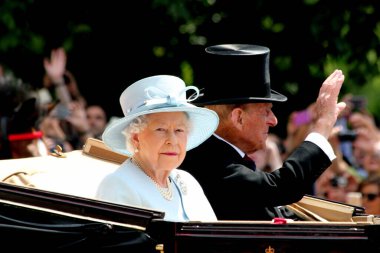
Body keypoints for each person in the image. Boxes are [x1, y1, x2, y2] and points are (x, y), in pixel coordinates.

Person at [180, 44, 346, 220]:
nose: (273, 120)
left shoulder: (220, 155)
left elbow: (265, 208)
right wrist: (322, 125)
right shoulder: (210, 162)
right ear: (238, 118)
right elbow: (280, 187)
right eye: (266, 111)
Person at [95, 75, 219, 222]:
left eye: (179, 130)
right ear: (136, 137)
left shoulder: (188, 182)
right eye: (161, 129)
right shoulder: (118, 184)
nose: (172, 141)